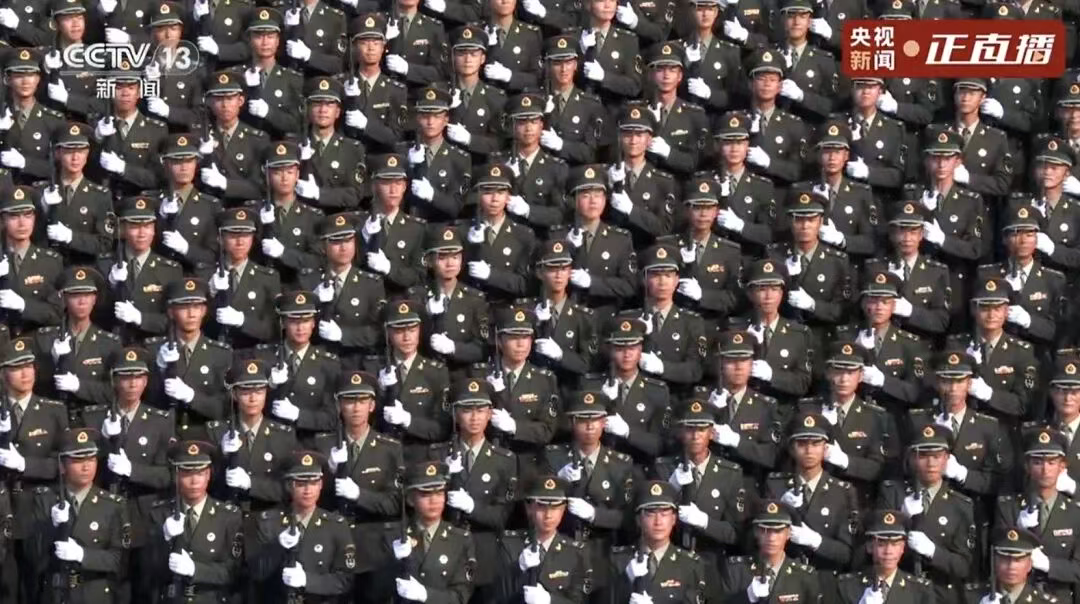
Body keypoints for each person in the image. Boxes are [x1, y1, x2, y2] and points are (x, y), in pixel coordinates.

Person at [314, 370, 403, 596]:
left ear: (372, 405)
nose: (356, 408)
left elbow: (396, 503)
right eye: (349, 401)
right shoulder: (322, 445)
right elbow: (309, 498)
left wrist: (359, 495)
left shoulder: (389, 449)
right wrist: (329, 472)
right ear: (339, 405)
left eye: (362, 401)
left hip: (372, 545)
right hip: (333, 545)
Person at [429, 377, 517, 602]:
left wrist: (472, 507)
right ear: (456, 414)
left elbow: (502, 516)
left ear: (490, 414)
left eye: (481, 410)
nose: (475, 417)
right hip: (445, 552)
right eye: (467, 410)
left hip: (484, 554)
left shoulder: (504, 460)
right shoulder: (438, 454)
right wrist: (444, 478)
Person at [541, 390, 635, 597]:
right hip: (563, 551)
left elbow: (627, 518)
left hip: (601, 551)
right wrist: (558, 481)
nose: (590, 426)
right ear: (572, 422)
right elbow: (537, 507)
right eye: (583, 420)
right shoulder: (553, 457)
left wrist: (594, 514)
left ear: (604, 422)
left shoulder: (620, 464)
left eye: (596, 419)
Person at [27, 427, 130, 604]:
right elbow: (32, 555)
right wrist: (51, 526)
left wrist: (83, 555)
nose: (86, 466)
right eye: (78, 460)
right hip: (56, 593)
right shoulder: (45, 499)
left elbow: (119, 561)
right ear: (62, 466)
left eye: (91, 459)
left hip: (94, 594)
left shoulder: (113, 505)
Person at [877, 423, 976, 604]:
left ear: (947, 458)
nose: (931, 463)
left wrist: (933, 552)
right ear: (911, 458)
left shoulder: (961, 505)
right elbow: (876, 548)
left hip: (941, 593)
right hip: (902, 592)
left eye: (936, 456)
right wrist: (902, 520)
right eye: (923, 456)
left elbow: (964, 567)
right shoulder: (892, 493)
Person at [248, 450, 357, 603]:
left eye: (314, 483)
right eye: (300, 484)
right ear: (288, 486)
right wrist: (277, 546)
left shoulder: (335, 525)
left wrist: (307, 580)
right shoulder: (269, 522)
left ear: (321, 485)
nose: (308, 490)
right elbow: (256, 572)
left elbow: (345, 580)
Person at [144, 440, 244, 604]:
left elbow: (234, 572)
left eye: (200, 473)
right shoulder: (160, 513)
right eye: (187, 473)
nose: (194, 481)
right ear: (177, 476)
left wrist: (195, 569)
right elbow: (146, 568)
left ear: (209, 475)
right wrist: (163, 538)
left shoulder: (228, 516)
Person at [651, 396, 747, 565]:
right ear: (681, 432)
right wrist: (670, 489)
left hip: (710, 561)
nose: (695, 436)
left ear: (711, 433)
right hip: (671, 561)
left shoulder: (729, 473)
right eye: (689, 429)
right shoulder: (664, 468)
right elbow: (648, 520)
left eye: (701, 429)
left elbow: (736, 533)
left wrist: (705, 522)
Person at [994, 427, 1080, 604]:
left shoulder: (1075, 513)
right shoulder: (1009, 507)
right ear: (1027, 466)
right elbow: (997, 557)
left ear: (1062, 466)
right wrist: (1020, 531)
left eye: (1052, 462)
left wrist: (1048, 564)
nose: (1045, 469)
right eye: (1037, 462)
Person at [765, 411, 857, 573]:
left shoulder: (843, 492)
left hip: (824, 575)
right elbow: (758, 539)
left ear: (825, 448)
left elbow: (847, 554)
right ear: (791, 449)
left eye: (815, 444)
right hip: (786, 576)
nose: (809, 450)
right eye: (802, 444)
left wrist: (816, 541)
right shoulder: (775, 485)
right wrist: (781, 508)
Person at [144, 277, 233, 442]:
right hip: (163, 436)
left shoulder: (221, 353)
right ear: (171, 312)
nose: (191, 314)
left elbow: (225, 408)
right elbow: (145, 402)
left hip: (204, 436)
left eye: (197, 307)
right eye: (184, 307)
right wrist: (159, 369)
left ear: (204, 310)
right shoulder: (154, 349)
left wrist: (192, 397)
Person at [206, 358, 299, 511]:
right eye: (245, 391)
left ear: (266, 393)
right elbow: (203, 485)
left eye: (259, 391)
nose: (253, 398)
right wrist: (220, 455)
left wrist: (251, 483)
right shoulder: (217, 431)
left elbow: (288, 489)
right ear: (234, 394)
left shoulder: (283, 436)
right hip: (226, 515)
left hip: (267, 516)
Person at [254, 290, 342, 444]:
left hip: (309, 444)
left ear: (313, 323)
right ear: (283, 323)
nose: (301, 328)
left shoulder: (328, 364)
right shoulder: (264, 357)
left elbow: (332, 419)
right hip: (270, 443)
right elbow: (248, 406)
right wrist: (269, 386)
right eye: (294, 321)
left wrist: (299, 415)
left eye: (306, 320)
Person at [382, 460, 476, 604]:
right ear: (411, 499)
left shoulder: (460, 539)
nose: (434, 501)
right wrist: (394, 563)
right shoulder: (393, 535)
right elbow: (377, 591)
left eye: (439, 493)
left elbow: (460, 596)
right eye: (425, 494)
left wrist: (426, 595)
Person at [601, 480, 710, 604]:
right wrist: (625, 581)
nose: (658, 522)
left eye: (664, 513)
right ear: (638, 519)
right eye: (650, 513)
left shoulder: (690, 565)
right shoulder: (618, 561)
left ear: (673, 519)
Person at [491, 475, 591, 604]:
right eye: (542, 507)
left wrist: (550, 600)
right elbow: (495, 595)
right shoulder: (509, 544)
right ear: (529, 508)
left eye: (555, 507)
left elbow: (580, 601)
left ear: (563, 509)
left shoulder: (575, 552)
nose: (548, 515)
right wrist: (518, 567)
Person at [718, 500, 821, 604]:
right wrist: (748, 596)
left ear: (789, 533)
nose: (771, 538)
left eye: (778, 531)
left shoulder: (804, 576)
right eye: (765, 530)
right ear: (756, 532)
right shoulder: (735, 571)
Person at [834, 509, 936, 604]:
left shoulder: (920, 590)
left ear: (902, 548)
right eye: (881, 544)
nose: (888, 551)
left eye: (895, 544)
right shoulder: (847, 586)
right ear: (870, 547)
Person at [961, 527, 1059, 604]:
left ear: (1029, 564)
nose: (1011, 566)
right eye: (1005, 559)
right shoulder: (970, 598)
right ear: (995, 562)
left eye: (1018, 560)